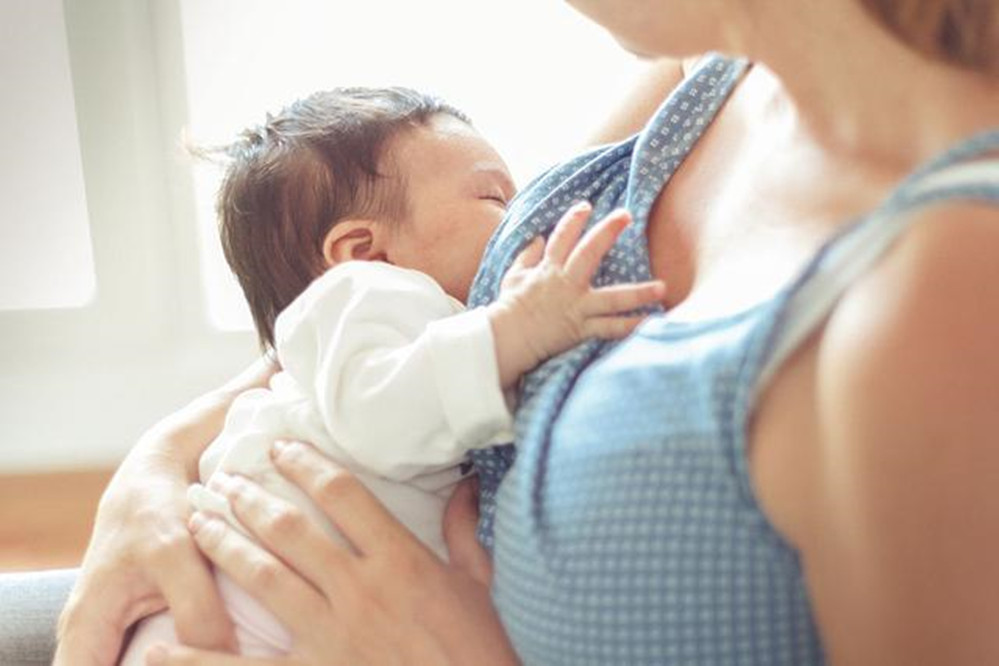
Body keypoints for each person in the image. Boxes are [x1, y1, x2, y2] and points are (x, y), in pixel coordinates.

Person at [2, 0, 995, 663]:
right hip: (245, 584)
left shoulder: (936, 287)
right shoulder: (714, 70)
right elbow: (385, 321)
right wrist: (159, 462)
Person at [113, 87, 663, 663]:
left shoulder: (413, 328)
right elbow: (378, 415)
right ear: (364, 251)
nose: (524, 219)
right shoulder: (363, 294)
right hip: (225, 617)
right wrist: (517, 329)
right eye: (494, 198)